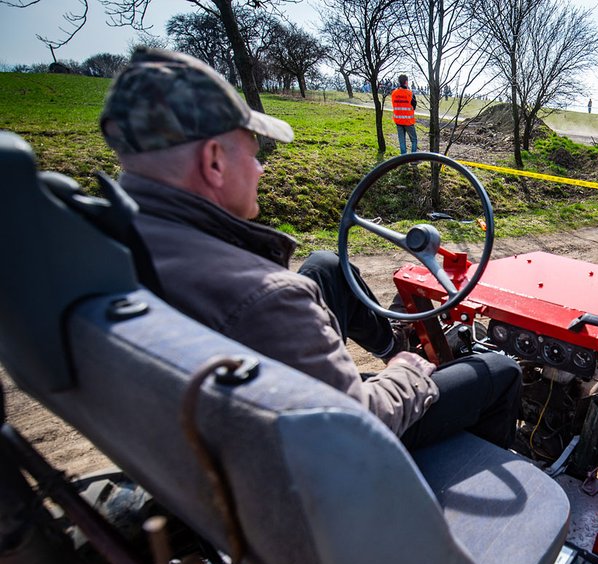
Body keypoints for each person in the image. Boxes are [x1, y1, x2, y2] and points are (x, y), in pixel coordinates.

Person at [98, 49, 521, 450]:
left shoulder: (113, 254)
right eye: (254, 150)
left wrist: (396, 360)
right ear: (213, 162)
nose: (261, 167)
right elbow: (354, 426)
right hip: (326, 451)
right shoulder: (266, 298)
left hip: (230, 419)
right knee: (500, 371)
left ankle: (395, 346)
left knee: (325, 266)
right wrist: (408, 376)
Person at [390, 74, 417, 155]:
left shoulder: (394, 93)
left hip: (398, 121)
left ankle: (403, 159)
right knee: (414, 140)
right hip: (408, 121)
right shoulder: (410, 93)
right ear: (406, 82)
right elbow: (414, 106)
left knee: (402, 140)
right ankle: (413, 159)